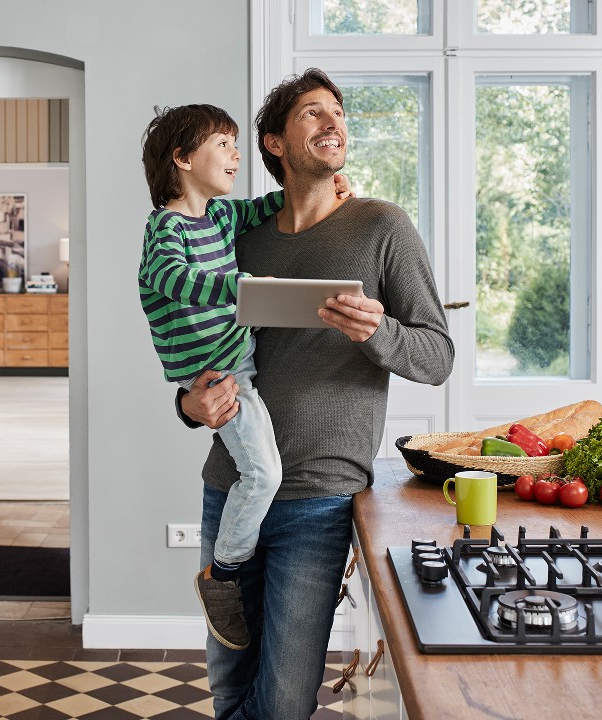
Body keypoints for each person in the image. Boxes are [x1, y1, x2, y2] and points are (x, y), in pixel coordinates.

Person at [176, 69, 454, 719]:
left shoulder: (383, 227)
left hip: (318, 503)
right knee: (230, 692)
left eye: (338, 112)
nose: (333, 121)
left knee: (281, 705)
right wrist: (190, 406)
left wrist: (378, 331)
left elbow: (437, 356)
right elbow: (202, 352)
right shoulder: (241, 237)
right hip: (231, 486)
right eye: (311, 113)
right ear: (274, 142)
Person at [138, 104, 352, 651]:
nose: (237, 155)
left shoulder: (222, 217)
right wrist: (243, 291)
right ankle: (224, 575)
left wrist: (331, 190)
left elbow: (267, 205)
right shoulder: (165, 229)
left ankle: (227, 569)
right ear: (182, 159)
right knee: (263, 475)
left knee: (260, 473)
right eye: (224, 145)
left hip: (236, 368)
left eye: (237, 144)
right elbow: (169, 278)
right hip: (224, 379)